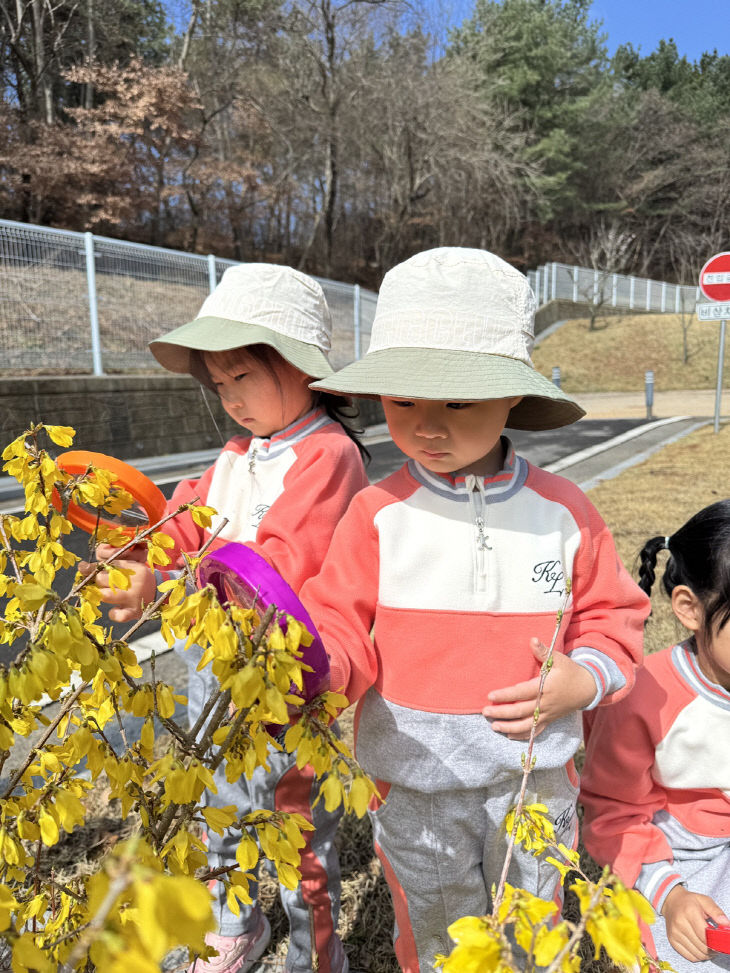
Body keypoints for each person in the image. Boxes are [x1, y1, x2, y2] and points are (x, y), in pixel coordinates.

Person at [297, 246, 649, 973]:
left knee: (529, 919)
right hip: (413, 777)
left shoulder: (564, 513)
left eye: (457, 401)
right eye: (404, 401)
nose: (428, 424)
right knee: (433, 924)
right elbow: (338, 623)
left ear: (511, 395)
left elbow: (614, 617)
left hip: (532, 779)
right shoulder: (377, 514)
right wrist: (317, 666)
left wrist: (583, 679)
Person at [85, 263, 369, 973]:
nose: (230, 398)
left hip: (284, 683)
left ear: (301, 365)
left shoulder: (326, 457)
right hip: (211, 664)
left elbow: (272, 567)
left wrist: (174, 581)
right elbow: (185, 525)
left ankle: (316, 948)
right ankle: (234, 923)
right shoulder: (237, 455)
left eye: (242, 376)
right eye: (219, 384)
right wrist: (140, 558)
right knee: (216, 799)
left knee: (296, 822)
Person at [580, 500, 730, 972]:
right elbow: (613, 814)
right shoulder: (644, 696)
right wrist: (671, 897)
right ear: (689, 608)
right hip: (682, 853)